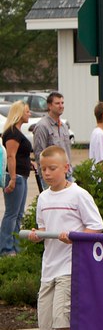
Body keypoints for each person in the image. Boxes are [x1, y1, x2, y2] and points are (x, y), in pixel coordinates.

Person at [26, 146, 103, 330]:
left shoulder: (78, 195)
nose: (47, 173)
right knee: (51, 322)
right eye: (43, 169)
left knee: (63, 318)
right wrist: (37, 234)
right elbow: (42, 227)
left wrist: (75, 236)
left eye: (52, 168)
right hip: (49, 267)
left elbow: (96, 227)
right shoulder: (44, 198)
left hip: (70, 267)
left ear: (66, 168)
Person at [2, 101, 34, 256]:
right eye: (27, 111)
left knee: (19, 213)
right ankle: (5, 247)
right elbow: (10, 155)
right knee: (12, 213)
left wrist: (30, 162)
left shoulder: (18, 132)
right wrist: (13, 179)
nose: (30, 114)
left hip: (23, 175)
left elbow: (20, 155)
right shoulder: (12, 133)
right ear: (19, 113)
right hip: (16, 176)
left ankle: (15, 245)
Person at [33, 92, 73, 167]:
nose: (61, 106)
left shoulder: (64, 126)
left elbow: (67, 151)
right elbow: (39, 154)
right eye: (57, 103)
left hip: (66, 174)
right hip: (52, 175)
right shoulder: (42, 126)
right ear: (49, 106)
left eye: (62, 103)